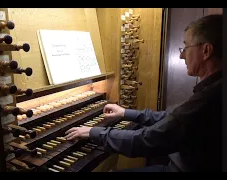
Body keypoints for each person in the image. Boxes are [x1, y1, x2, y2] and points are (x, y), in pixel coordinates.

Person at [65, 14, 222, 172]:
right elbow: (171, 117)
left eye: (186, 47)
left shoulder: (210, 98)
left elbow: (147, 139)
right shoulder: (213, 88)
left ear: (206, 51)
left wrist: (94, 132)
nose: (181, 55)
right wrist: (125, 112)